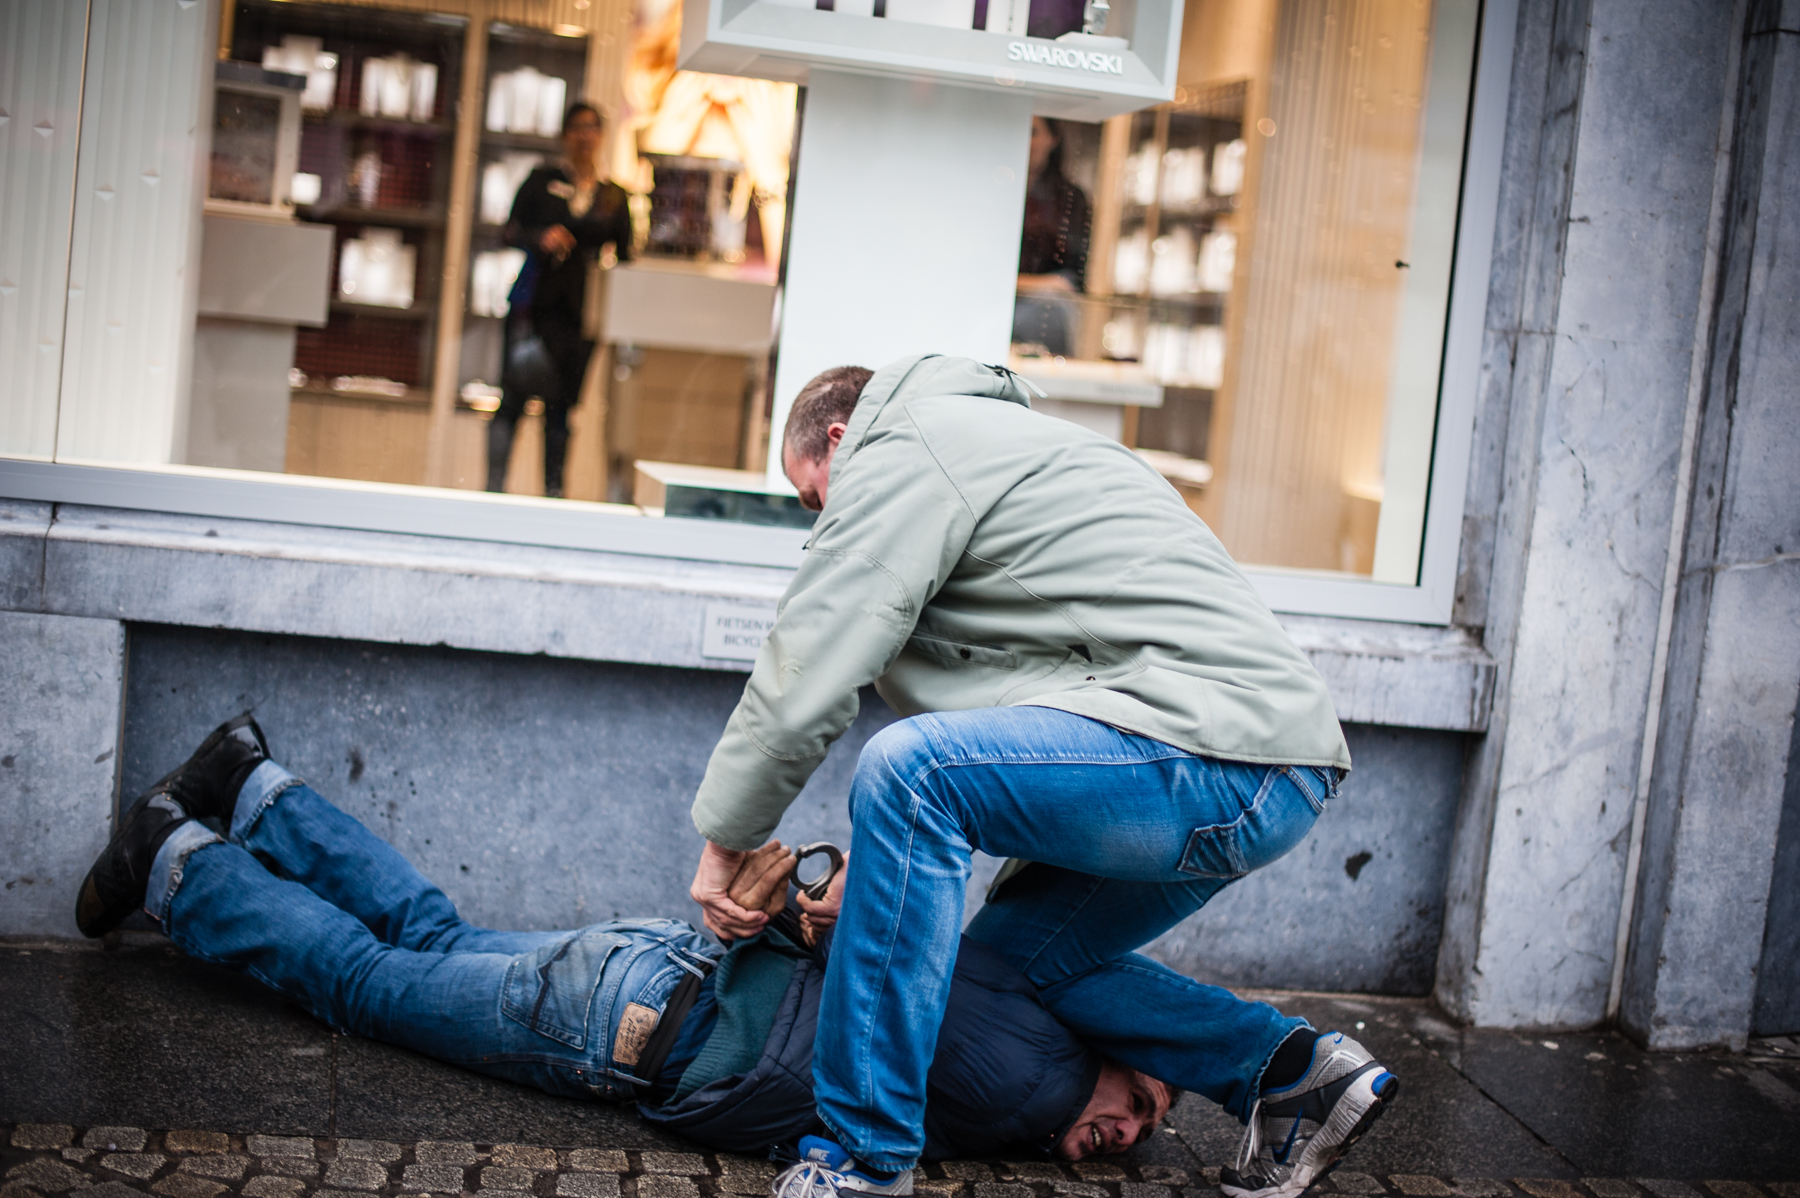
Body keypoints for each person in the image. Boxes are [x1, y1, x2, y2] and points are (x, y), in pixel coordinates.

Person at [686, 357, 1397, 1198]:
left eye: (816, 500)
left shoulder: (906, 446)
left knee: (912, 772)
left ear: (840, 439)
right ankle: (1290, 1074)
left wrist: (724, 845)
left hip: (1215, 747)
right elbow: (1044, 694)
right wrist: (886, 890)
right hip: (1262, 762)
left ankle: (863, 1159)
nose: (823, 529)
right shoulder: (1002, 452)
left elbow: (809, 665)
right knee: (1007, 970)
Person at [73, 714, 1174, 1164]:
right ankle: (179, 859)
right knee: (365, 982)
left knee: (428, 934)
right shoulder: (1035, 1089)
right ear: (1117, 1052)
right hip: (638, 1024)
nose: (1129, 1130)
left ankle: (249, 781)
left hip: (663, 971)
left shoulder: (1019, 999)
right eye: (1143, 1102)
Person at [488, 102, 633, 498]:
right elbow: (508, 232)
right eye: (577, 127)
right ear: (565, 134)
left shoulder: (613, 195)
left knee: (562, 409)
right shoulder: (540, 180)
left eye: (592, 127)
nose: (585, 135)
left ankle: (554, 497)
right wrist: (541, 237)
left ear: (601, 136)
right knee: (512, 400)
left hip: (580, 315)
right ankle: (491, 492)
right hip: (532, 306)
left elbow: (626, 259)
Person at [1011, 117, 1091, 358]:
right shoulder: (992, 188)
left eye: (1033, 132)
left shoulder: (1069, 198)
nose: (1026, 140)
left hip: (1039, 308)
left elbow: (1070, 279)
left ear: (1052, 139)